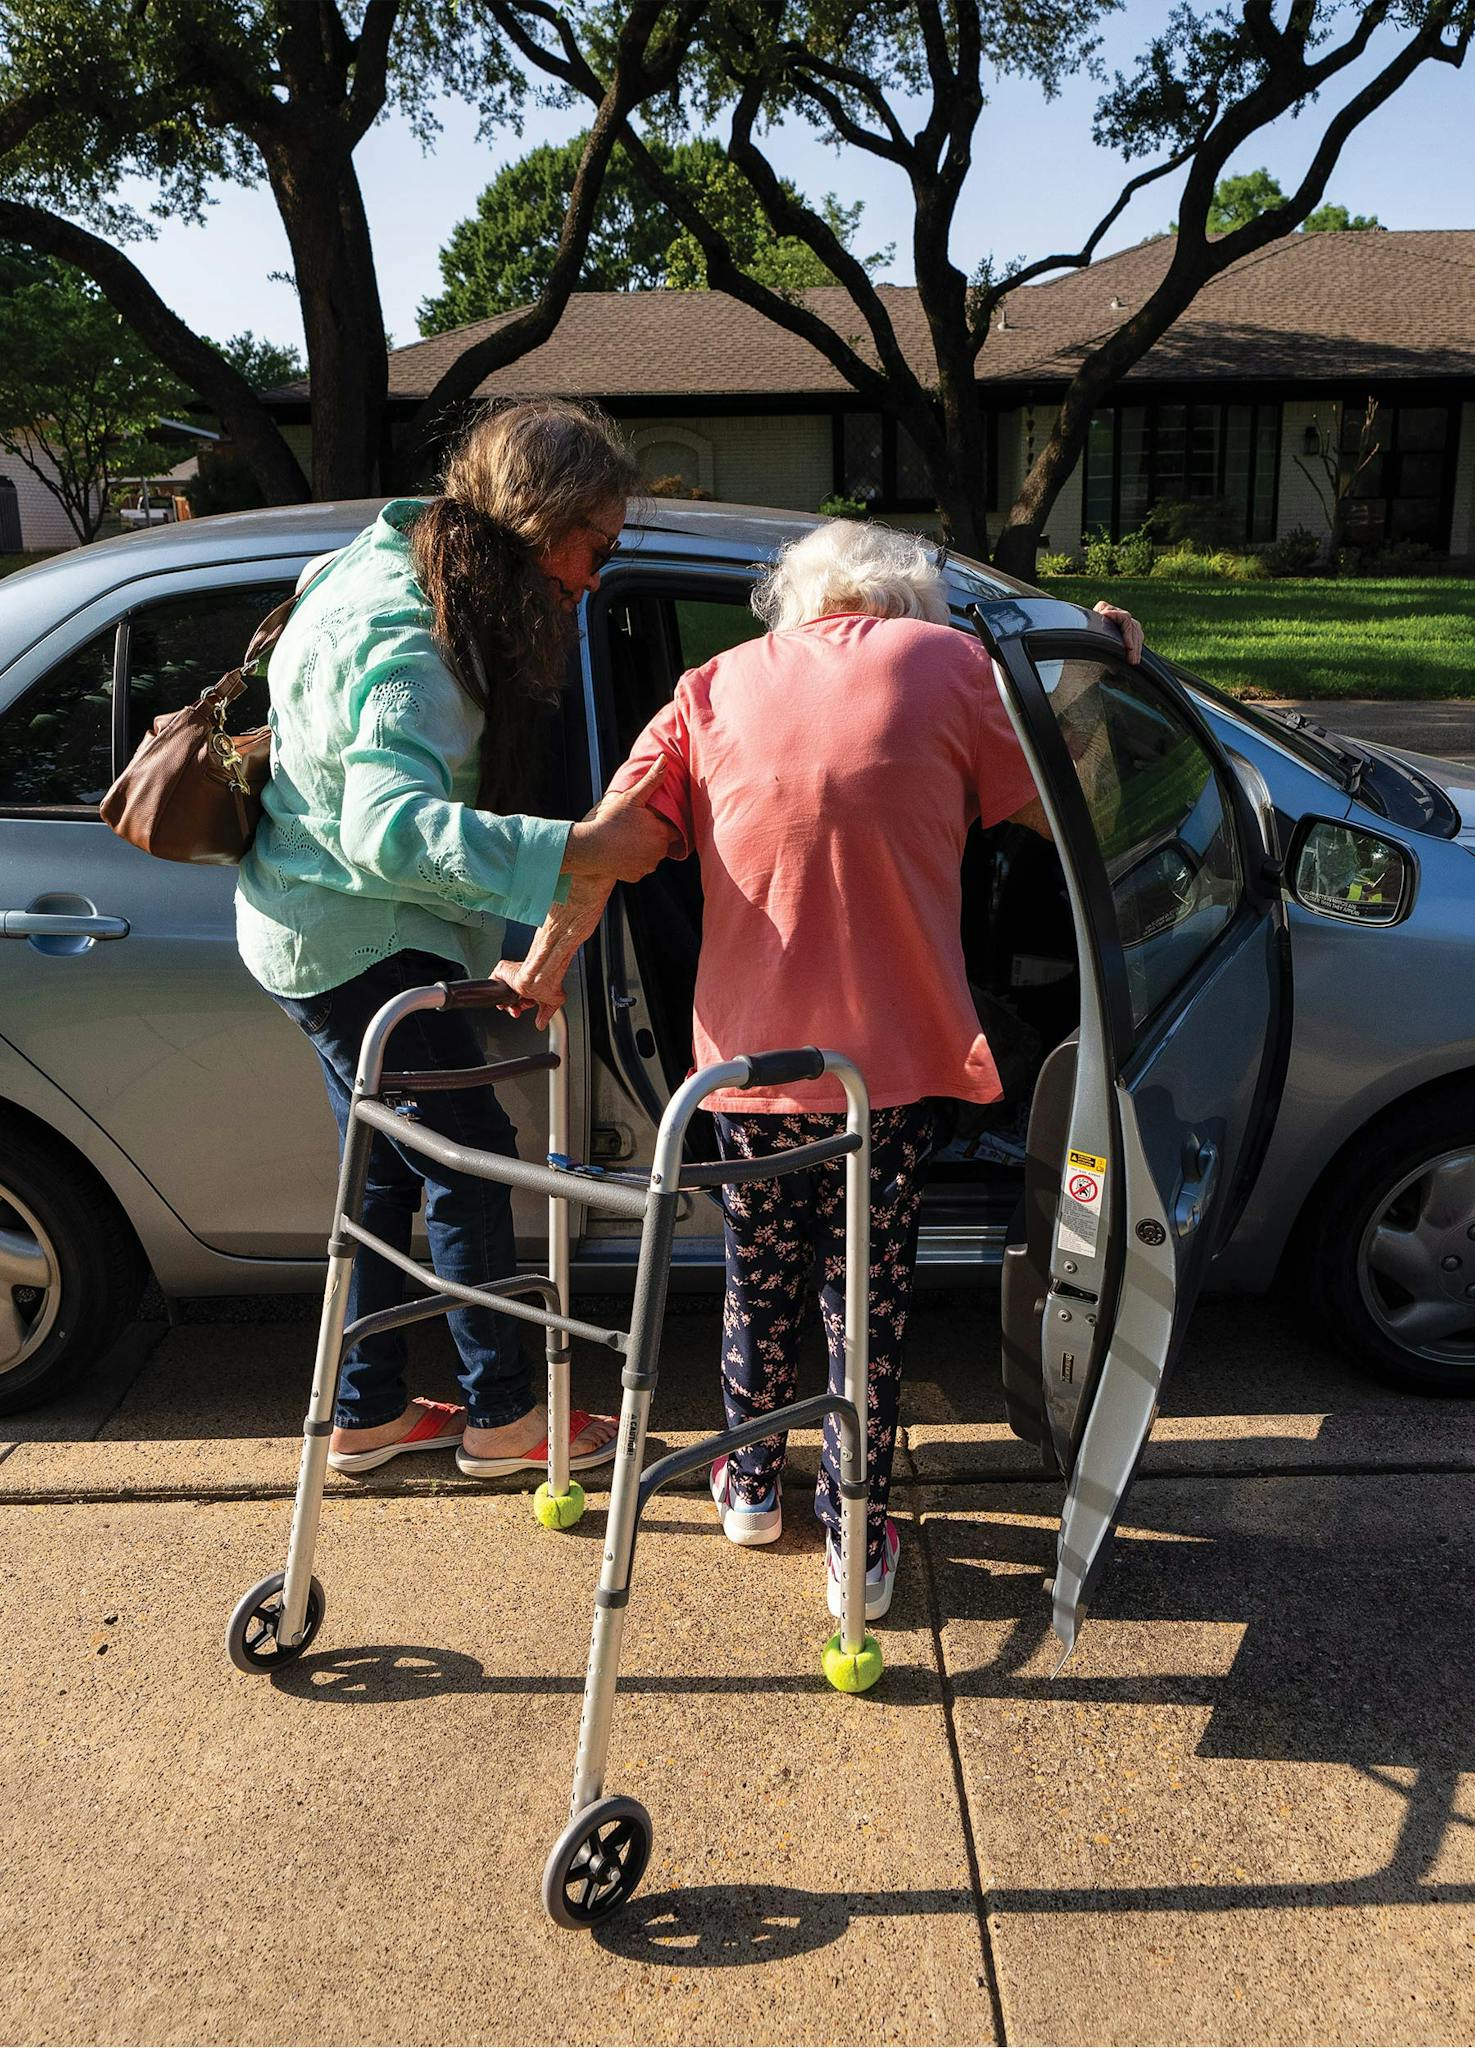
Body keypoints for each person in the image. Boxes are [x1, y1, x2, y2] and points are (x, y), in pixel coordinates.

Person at [497, 519, 1142, 1618]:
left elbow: (604, 843)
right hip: (886, 1064)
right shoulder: (950, 665)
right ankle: (856, 1527)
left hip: (743, 1068)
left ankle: (748, 1484)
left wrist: (542, 967)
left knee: (762, 1266)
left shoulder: (707, 687)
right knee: (866, 1292)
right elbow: (1076, 813)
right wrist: (1091, 674)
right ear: (905, 603)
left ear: (795, 603)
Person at [235, 400, 671, 1478]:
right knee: (468, 1167)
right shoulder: (413, 638)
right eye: (594, 546)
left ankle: (366, 1410)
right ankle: (505, 1417)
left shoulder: (383, 556)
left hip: (309, 922)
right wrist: (578, 844)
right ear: (539, 522)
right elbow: (388, 829)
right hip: (355, 940)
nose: (595, 575)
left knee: (385, 1173)